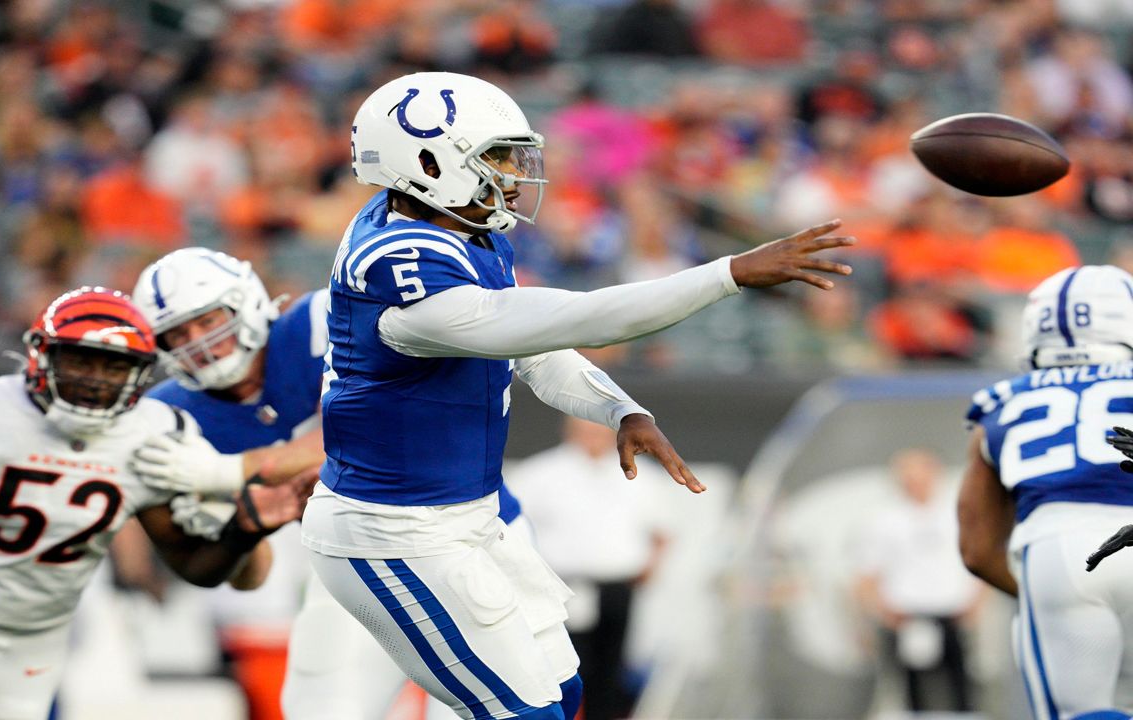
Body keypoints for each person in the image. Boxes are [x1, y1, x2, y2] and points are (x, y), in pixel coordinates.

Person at [303, 70, 853, 719]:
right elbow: (580, 319)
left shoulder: (459, 231)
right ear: (426, 164)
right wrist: (729, 272)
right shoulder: (398, 268)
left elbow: (530, 348)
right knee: (526, 713)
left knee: (564, 697)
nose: (511, 174)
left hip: (469, 514)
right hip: (393, 532)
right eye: (493, 158)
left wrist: (618, 407)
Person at [0, 287, 307, 720]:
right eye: (80, 361)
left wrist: (245, 530)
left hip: (33, 634)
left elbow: (194, 567)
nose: (95, 379)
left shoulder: (152, 434)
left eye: (114, 367)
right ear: (41, 354)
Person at [129, 247, 520, 719]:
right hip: (355, 566)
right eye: (178, 334)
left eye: (208, 321)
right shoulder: (168, 417)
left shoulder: (323, 320)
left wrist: (231, 470)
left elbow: (376, 424)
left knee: (506, 705)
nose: (197, 342)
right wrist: (241, 527)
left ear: (245, 301)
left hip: (476, 539)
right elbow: (240, 575)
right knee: (322, 709)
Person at [959, 265, 1133, 719]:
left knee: (1080, 712)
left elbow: (977, 550)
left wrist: (1044, 597)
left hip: (1056, 547)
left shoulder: (1003, 401)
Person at [506, 417, 668, 720]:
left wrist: (651, 566)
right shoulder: (540, 473)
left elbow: (661, 529)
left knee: (613, 665)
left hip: (618, 586)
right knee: (563, 666)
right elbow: (512, 527)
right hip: (562, 588)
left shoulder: (641, 475)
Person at [856, 448, 981, 713]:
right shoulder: (884, 519)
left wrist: (977, 602)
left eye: (921, 477)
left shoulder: (957, 513)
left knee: (963, 689)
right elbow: (867, 572)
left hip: (953, 613)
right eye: (909, 478)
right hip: (906, 616)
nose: (916, 484)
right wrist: (880, 610)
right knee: (912, 693)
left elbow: (979, 560)